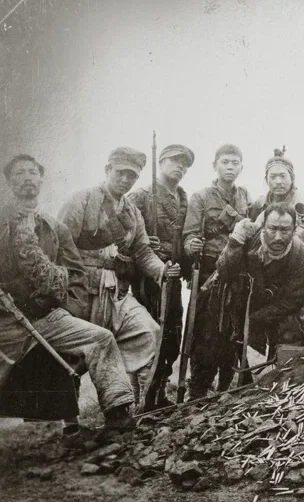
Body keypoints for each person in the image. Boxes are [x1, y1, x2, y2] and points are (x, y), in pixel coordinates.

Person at [0, 154, 134, 427]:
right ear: (8, 181)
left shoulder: (54, 228)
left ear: (41, 179)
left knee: (101, 339)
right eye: (19, 173)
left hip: (47, 317)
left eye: (32, 172)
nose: (27, 178)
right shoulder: (2, 224)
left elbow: (76, 276)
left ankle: (118, 414)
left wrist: (65, 310)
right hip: (5, 321)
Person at [58, 147, 181, 409]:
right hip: (81, 290)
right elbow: (61, 245)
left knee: (148, 331)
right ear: (107, 170)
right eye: (121, 173)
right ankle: (69, 421)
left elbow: (142, 251)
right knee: (72, 356)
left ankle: (141, 404)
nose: (126, 180)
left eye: (132, 176)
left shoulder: (132, 212)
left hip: (116, 292)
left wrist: (162, 270)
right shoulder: (82, 200)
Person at [193, 203, 304, 389]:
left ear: (294, 229)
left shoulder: (301, 254)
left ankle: (289, 385)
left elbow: (294, 299)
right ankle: (201, 388)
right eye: (272, 228)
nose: (278, 236)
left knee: (292, 331)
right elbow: (225, 272)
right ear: (263, 226)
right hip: (237, 302)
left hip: (274, 309)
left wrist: (255, 319)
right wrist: (235, 242)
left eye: (285, 230)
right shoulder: (247, 239)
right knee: (211, 334)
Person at [182, 144, 251, 397]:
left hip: (236, 274)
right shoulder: (201, 197)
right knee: (205, 332)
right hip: (209, 274)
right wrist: (191, 245)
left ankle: (225, 385)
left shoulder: (244, 196)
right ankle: (198, 386)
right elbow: (189, 234)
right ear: (215, 166)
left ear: (241, 167)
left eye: (235, 162)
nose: (230, 167)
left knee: (231, 330)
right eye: (225, 162)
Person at [128, 144, 194, 407]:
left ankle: (160, 392)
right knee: (147, 334)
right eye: (174, 160)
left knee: (172, 335)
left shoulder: (184, 200)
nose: (180, 166)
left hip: (174, 276)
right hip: (147, 279)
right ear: (161, 162)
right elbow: (125, 237)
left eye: (184, 163)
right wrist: (146, 241)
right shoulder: (141, 196)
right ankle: (139, 397)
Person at [249, 148, 304, 248]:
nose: (278, 181)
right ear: (266, 180)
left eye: (283, 176)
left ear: (292, 178)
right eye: (273, 177)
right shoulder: (259, 204)